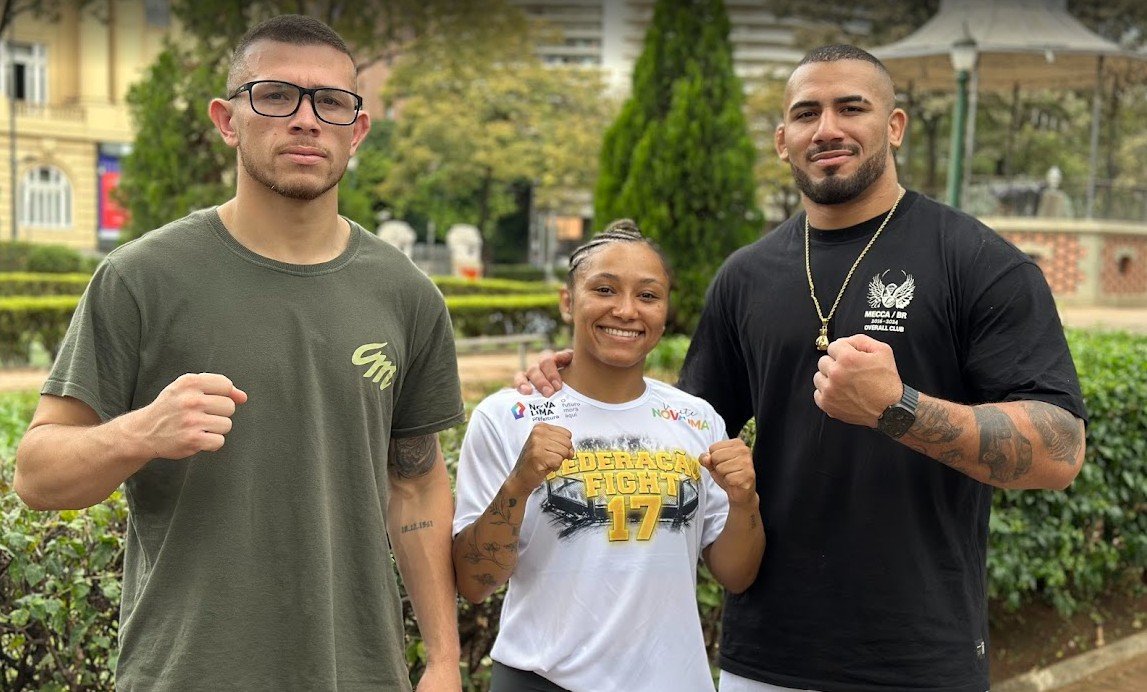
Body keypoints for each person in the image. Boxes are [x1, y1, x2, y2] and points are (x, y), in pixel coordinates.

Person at [517, 45, 1086, 692]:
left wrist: (898, 408)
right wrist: (582, 379)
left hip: (919, 658)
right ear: (781, 141)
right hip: (764, 656)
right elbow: (679, 435)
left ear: (893, 126)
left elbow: (1059, 450)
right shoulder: (746, 276)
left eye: (851, 108)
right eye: (805, 113)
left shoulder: (976, 261)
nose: (827, 129)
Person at [13, 15, 465, 691]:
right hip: (187, 674)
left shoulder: (406, 294)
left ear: (357, 129)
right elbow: (36, 476)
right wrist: (140, 432)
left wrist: (445, 660)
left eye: (331, 102)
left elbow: (417, 480)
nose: (306, 120)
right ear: (227, 119)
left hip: (359, 675)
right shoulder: (142, 278)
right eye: (276, 95)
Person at [454, 221, 765, 692]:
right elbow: (474, 583)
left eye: (648, 295)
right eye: (604, 289)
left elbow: (737, 575)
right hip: (541, 679)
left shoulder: (696, 419)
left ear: (665, 311)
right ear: (567, 302)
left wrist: (745, 500)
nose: (625, 310)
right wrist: (519, 483)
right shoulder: (507, 416)